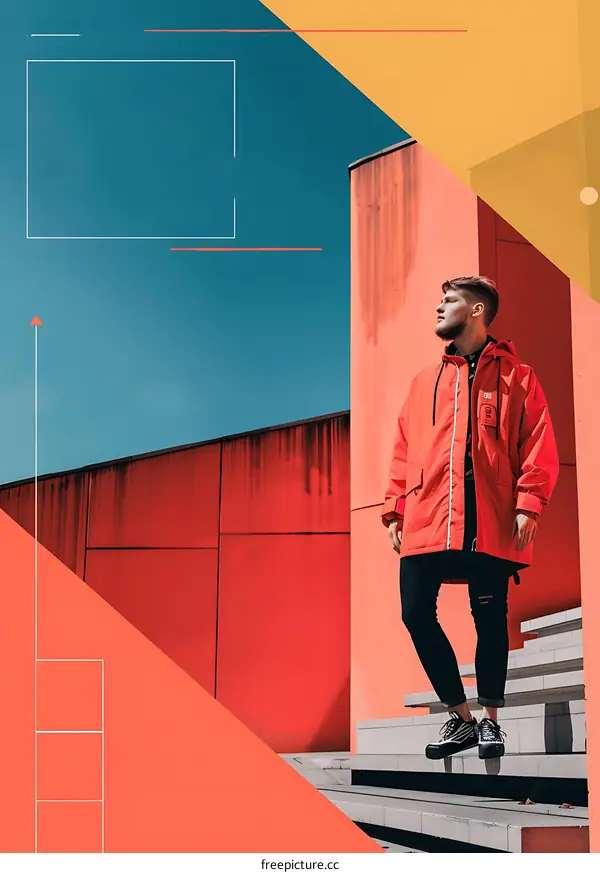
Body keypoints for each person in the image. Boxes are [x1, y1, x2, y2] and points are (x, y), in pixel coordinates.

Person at [381, 276, 559, 760]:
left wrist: (529, 503)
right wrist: (395, 507)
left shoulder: (518, 376)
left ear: (477, 310)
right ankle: (460, 718)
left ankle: (491, 722)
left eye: (450, 300)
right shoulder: (424, 382)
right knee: (415, 612)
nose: (438, 306)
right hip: (426, 513)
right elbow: (403, 449)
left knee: (488, 616)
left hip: (490, 517)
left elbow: (538, 442)